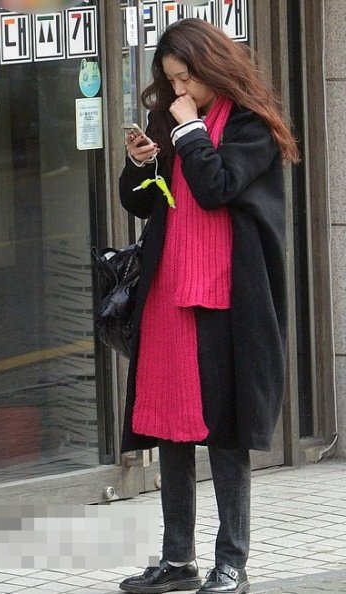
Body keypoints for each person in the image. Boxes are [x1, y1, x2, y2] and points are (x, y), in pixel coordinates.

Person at [118, 18, 299, 594]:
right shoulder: (170, 119)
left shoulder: (251, 125)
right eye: (171, 80)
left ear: (213, 69)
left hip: (228, 297)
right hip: (168, 292)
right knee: (169, 424)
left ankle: (231, 563)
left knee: (224, 430)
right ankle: (178, 561)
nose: (178, 91)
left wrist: (191, 131)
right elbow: (144, 205)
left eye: (186, 78)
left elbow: (217, 187)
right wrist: (141, 164)